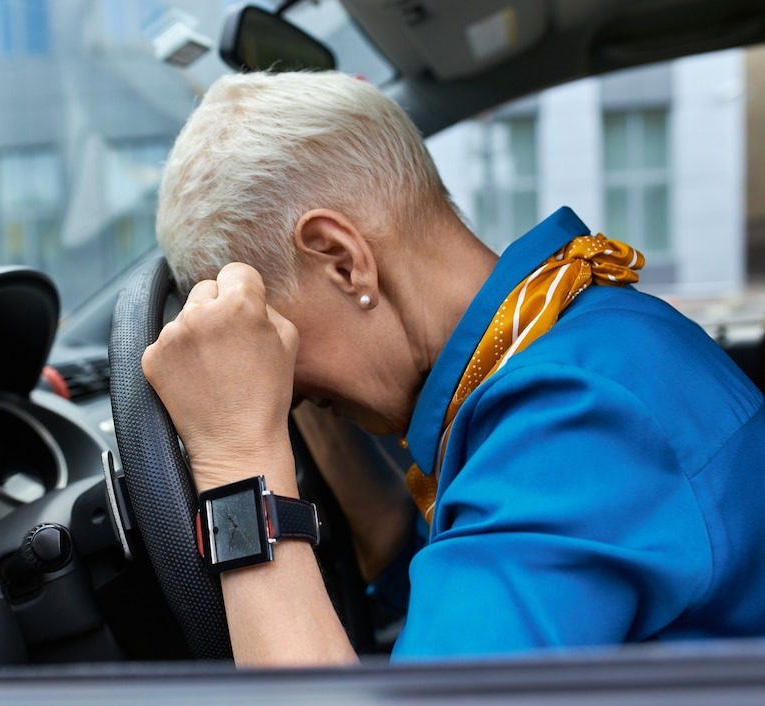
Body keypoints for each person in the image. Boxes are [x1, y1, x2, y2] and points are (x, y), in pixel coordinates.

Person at [140, 70, 765, 667]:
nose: (283, 380)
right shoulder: (576, 348)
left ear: (341, 260)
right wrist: (284, 409)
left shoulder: (578, 419)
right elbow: (422, 579)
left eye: (269, 329)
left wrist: (236, 455)